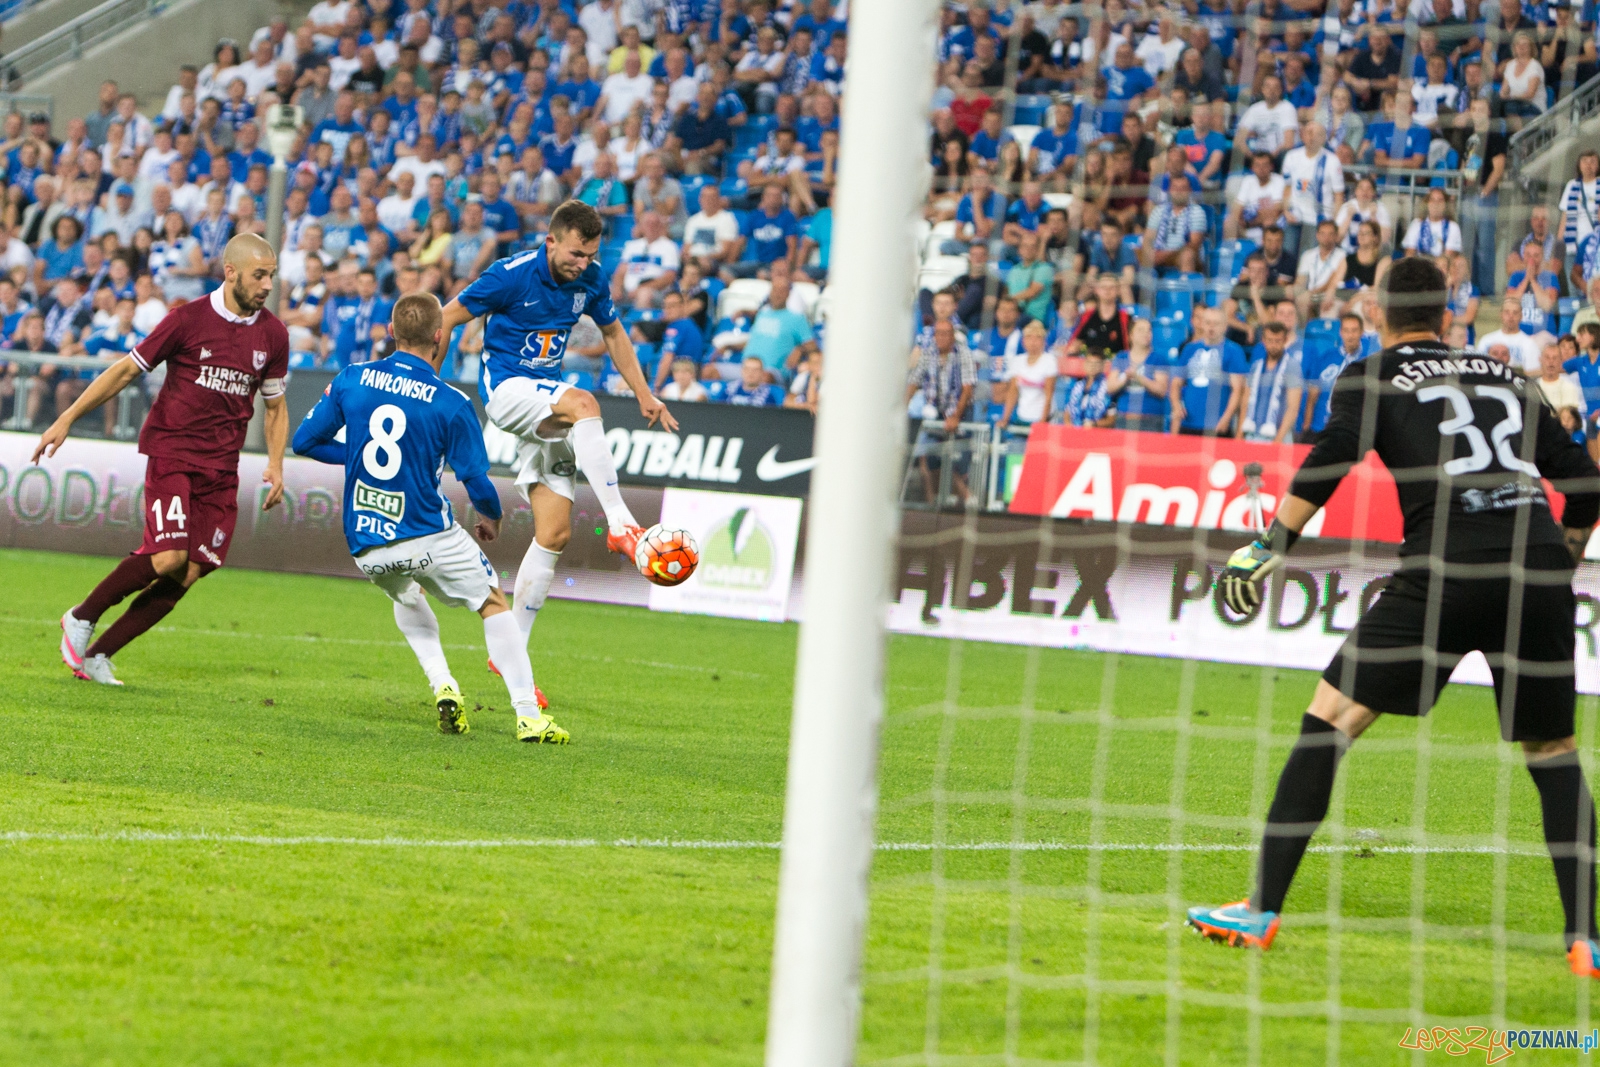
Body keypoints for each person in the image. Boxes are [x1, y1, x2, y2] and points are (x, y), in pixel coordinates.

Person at [1185, 258, 1600, 982]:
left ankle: (1258, 910)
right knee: (1554, 751)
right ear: (1446, 316)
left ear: (1378, 310)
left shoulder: (1370, 376)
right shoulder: (1508, 374)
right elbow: (1585, 484)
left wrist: (1267, 546)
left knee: (1330, 716)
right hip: (1534, 568)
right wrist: (1559, 564)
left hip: (1443, 565)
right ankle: (1588, 940)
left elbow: (1330, 459)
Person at [291, 292, 565, 743]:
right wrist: (491, 519)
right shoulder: (451, 402)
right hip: (427, 534)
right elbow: (476, 481)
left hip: (366, 544)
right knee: (492, 601)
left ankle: (443, 684)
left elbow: (304, 441)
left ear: (390, 333)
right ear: (440, 338)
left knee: (405, 596)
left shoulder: (351, 378)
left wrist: (356, 455)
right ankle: (528, 716)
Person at [439, 201, 674, 667]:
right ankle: (623, 526)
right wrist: (424, 377)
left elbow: (614, 334)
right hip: (507, 392)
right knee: (584, 402)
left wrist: (645, 394)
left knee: (555, 532)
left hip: (543, 409)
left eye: (589, 256)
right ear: (551, 241)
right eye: (574, 254)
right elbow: (445, 317)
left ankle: (511, 655)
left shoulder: (591, 278)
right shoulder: (510, 274)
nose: (582, 264)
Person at [47, 235, 289, 686]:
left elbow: (275, 405)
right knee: (167, 558)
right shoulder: (186, 320)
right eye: (260, 274)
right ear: (231, 271)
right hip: (173, 452)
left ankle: (99, 655)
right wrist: (67, 417)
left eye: (272, 275)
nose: (267, 284)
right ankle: (81, 617)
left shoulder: (273, 334)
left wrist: (276, 463)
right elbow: (124, 370)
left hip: (222, 469)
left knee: (191, 569)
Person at [1169, 306, 1249, 436]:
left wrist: (1226, 418)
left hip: (1217, 426)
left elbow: (1237, 390)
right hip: (1188, 424)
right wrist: (1176, 406)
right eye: (1208, 323)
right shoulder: (1189, 349)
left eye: (1216, 324)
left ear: (1224, 326)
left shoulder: (1234, 351)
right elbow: (1175, 383)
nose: (1211, 328)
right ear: (1202, 324)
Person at [1238, 321, 1303, 444]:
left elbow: (1293, 408)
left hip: (1278, 437)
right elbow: (1245, 401)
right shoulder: (1256, 366)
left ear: (1285, 340)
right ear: (1263, 340)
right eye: (1270, 340)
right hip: (1252, 433)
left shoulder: (1292, 367)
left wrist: (1278, 439)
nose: (1273, 345)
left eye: (1277, 341)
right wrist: (1240, 433)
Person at [997, 320, 1057, 433]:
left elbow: (1048, 394)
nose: (1033, 342)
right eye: (1029, 338)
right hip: (1022, 416)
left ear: (1043, 341)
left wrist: (1042, 422)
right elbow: (1013, 392)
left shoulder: (1049, 361)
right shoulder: (1017, 361)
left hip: (1042, 418)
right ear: (1023, 341)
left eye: (1037, 338)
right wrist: (1005, 418)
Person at [1110, 317, 1168, 432]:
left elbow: (1162, 390)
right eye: (1141, 330)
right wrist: (1126, 377)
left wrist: (1138, 377)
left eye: (1149, 330)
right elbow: (1110, 387)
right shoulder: (1121, 357)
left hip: (1150, 419)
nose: (1146, 334)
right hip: (1124, 417)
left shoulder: (1158, 359)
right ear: (1131, 335)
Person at [1478, 295, 1544, 372]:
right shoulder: (1486, 340)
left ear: (1521, 316)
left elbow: (1532, 373)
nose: (1511, 316)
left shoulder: (1529, 344)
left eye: (1515, 313)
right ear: (1501, 315)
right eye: (1507, 312)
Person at [1402, 188, 1462, 262]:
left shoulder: (1453, 226)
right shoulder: (1416, 224)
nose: (1436, 204)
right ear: (1427, 204)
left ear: (1445, 205)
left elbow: (1449, 255)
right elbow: (1410, 252)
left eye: (1440, 200)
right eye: (1432, 200)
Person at [1559, 152, 1600, 259]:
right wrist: (1559, 244)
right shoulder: (1571, 185)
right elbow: (1565, 216)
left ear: (1598, 165)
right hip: (1572, 246)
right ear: (1579, 165)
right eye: (1585, 161)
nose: (1588, 165)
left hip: (1595, 246)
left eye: (1592, 162)